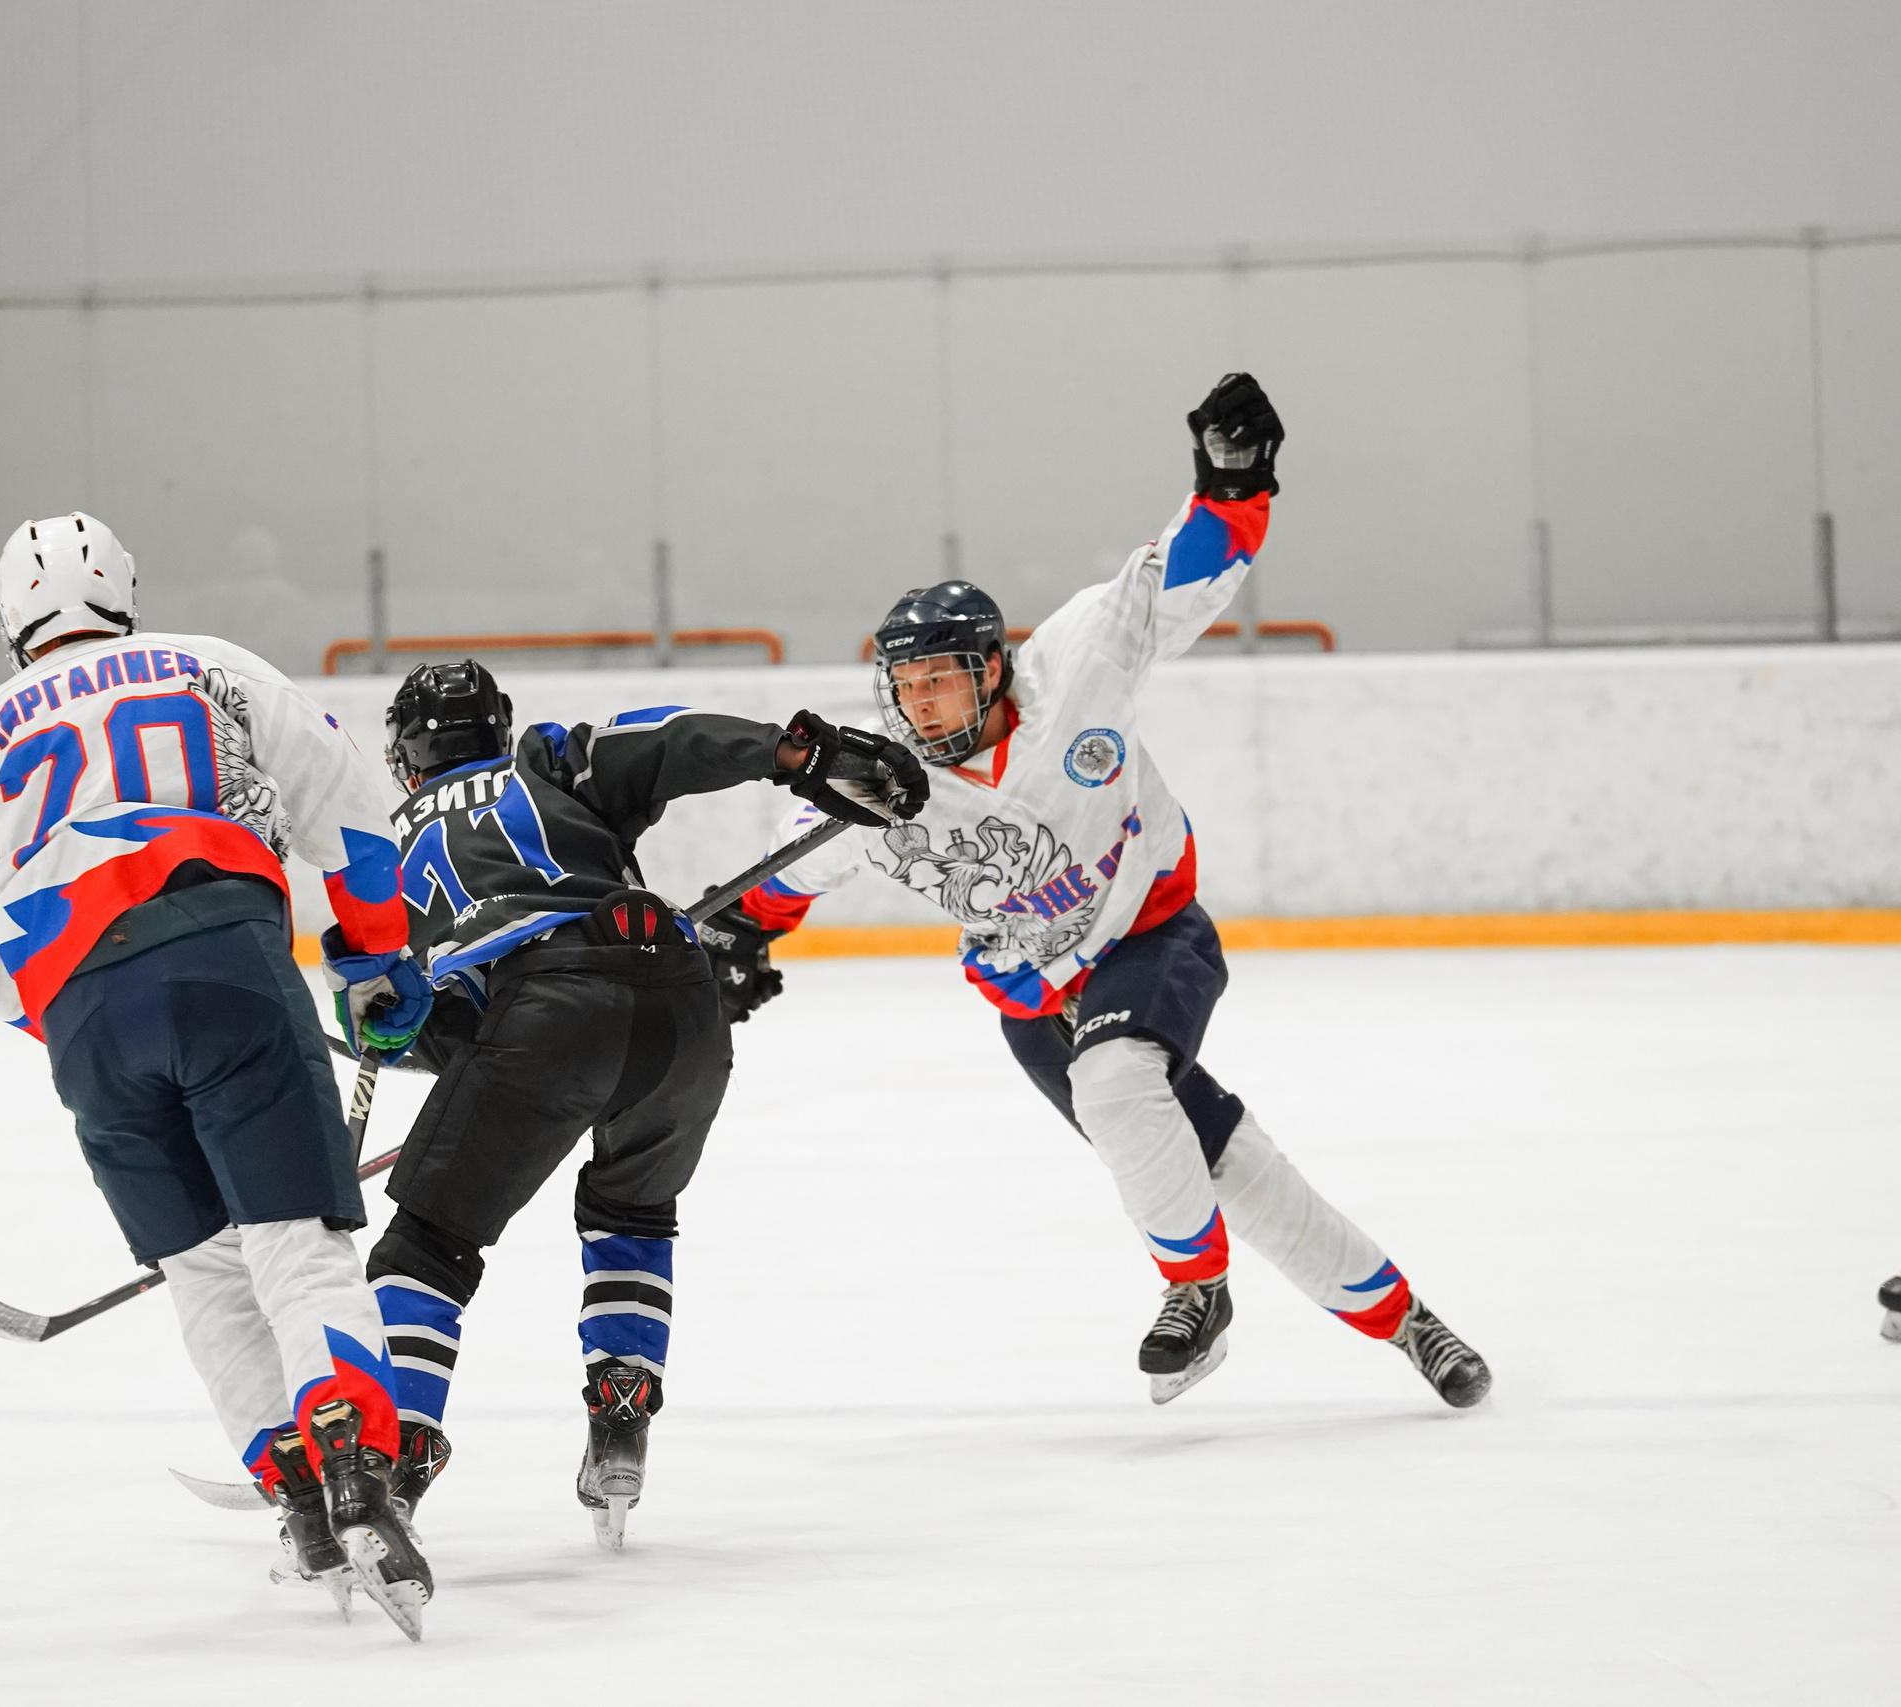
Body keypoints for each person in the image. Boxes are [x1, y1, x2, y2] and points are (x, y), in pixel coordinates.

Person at [734, 376, 1492, 1409]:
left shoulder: (1078, 663)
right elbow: (779, 881)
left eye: (943, 679)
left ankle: (1194, 1288)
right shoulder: (877, 785)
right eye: (905, 688)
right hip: (1035, 1006)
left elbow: (1183, 573)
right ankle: (1411, 1323)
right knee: (1225, 1165)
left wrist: (1232, 483)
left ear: (994, 670)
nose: (923, 704)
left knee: (1118, 1080)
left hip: (1152, 932)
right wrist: (732, 942)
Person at [0, 512, 437, 1639]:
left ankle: (299, 1504)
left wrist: (76, 1025)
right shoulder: (212, 665)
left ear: (10, 616)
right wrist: (372, 962)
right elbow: (350, 819)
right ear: (124, 590)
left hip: (85, 1022)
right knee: (296, 1248)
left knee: (206, 1273)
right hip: (227, 969)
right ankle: (357, 1470)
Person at [360, 660, 924, 1549]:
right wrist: (795, 752)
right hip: (680, 994)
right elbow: (664, 738)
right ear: (498, 728)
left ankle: (391, 1462)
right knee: (632, 1206)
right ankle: (620, 1414)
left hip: (540, 1013)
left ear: (403, 759)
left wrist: (442, 1056)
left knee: (426, 1243)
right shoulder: (542, 763)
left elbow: (417, 1023)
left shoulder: (380, 848)